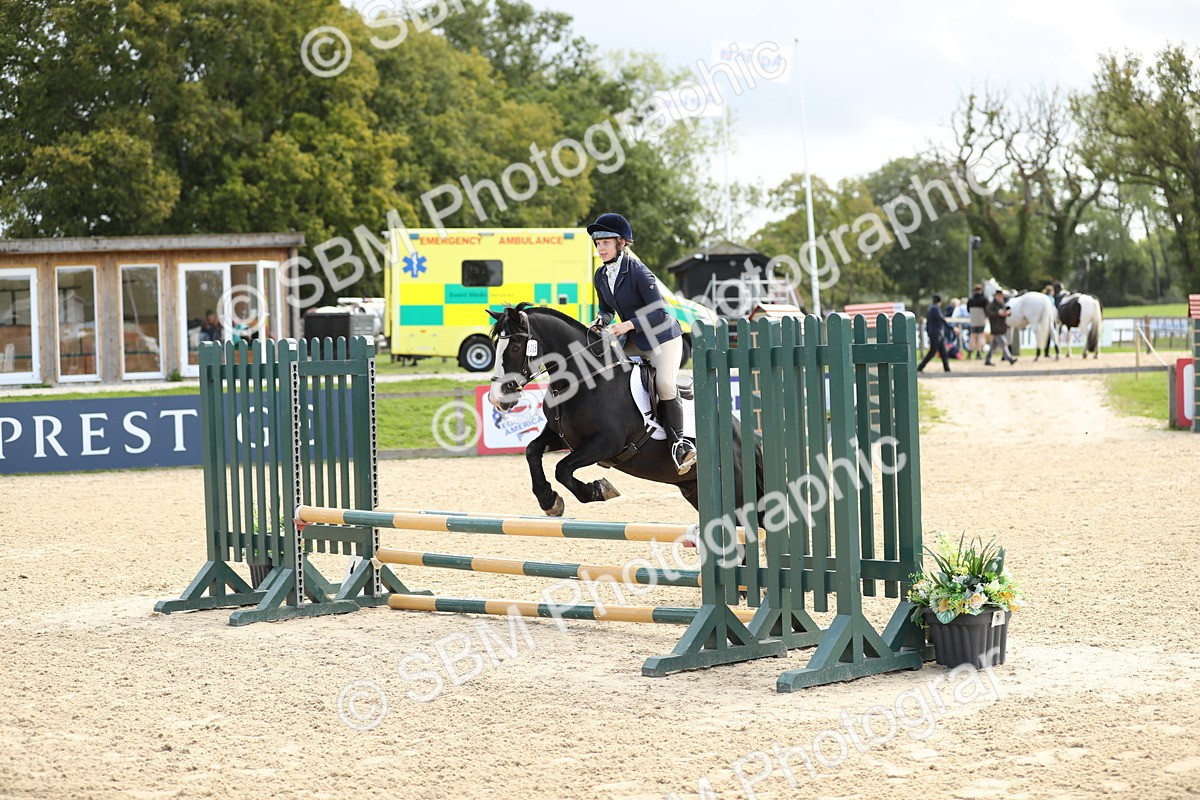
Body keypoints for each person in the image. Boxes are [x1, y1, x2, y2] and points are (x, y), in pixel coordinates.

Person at [586, 212, 696, 474]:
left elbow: (659, 311)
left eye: (605, 243)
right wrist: (599, 320)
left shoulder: (639, 272)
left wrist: (627, 324)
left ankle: (680, 445)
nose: (600, 248)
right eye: (598, 244)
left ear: (621, 243)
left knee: (665, 384)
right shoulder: (601, 275)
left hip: (662, 338)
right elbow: (606, 310)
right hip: (634, 339)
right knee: (608, 372)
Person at [917, 295, 951, 373]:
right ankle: (920, 366)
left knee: (943, 352)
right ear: (940, 301)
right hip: (937, 333)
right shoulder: (935, 308)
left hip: (935, 333)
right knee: (933, 352)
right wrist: (950, 327)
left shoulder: (930, 308)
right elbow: (941, 319)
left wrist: (928, 331)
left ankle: (947, 368)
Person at [985, 290, 1018, 366]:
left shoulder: (1002, 304)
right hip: (996, 327)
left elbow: (1007, 312)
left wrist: (1008, 312)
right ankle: (1009, 358)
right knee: (1003, 343)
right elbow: (989, 313)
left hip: (1001, 326)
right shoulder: (992, 305)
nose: (1001, 298)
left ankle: (987, 359)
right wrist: (998, 313)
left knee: (994, 345)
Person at [966, 284, 988, 360]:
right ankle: (978, 353)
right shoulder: (984, 300)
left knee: (973, 336)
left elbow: (968, 310)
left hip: (973, 320)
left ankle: (970, 352)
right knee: (980, 336)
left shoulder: (970, 300)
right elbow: (986, 310)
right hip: (981, 320)